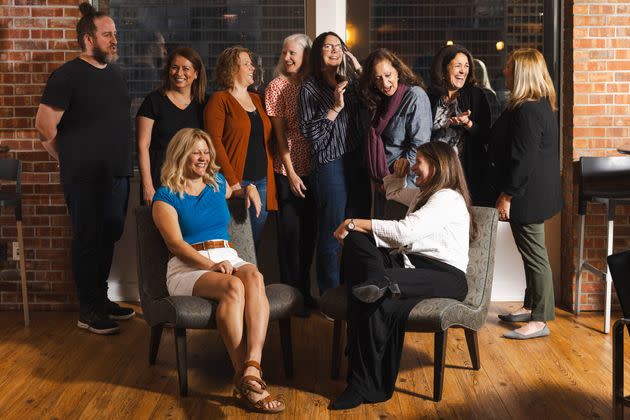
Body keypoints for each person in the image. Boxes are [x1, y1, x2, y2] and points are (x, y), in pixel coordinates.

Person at [329, 141, 472, 409]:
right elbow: (393, 192)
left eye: (419, 161)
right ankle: (375, 282)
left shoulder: (447, 197)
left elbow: (405, 232)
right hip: (409, 267)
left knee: (362, 247)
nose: (414, 165)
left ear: (438, 165)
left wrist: (353, 222)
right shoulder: (423, 194)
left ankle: (362, 385)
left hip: (444, 275)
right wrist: (400, 174)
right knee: (356, 241)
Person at [152, 128, 284, 413]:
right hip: (188, 265)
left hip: (226, 253)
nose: (203, 157)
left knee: (254, 276)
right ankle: (244, 379)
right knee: (233, 288)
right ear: (180, 155)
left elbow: (236, 189)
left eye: (206, 151)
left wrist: (247, 187)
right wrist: (210, 265)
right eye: (196, 152)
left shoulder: (217, 183)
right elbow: (175, 244)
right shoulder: (166, 196)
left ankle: (251, 368)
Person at [34, 2, 135, 335]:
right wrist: (65, 158)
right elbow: (44, 126)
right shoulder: (66, 76)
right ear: (88, 39)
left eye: (115, 34)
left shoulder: (117, 76)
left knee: (109, 237)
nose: (114, 40)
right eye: (107, 35)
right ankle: (88, 309)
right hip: (85, 177)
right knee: (88, 240)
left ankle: (101, 299)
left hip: (118, 173)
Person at [486, 49, 562, 340]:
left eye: (509, 67)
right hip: (534, 194)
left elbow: (523, 160)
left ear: (522, 73)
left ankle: (541, 320)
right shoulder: (536, 104)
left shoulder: (528, 110)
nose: (504, 71)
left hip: (527, 196)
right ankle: (532, 306)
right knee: (531, 253)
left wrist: (507, 195)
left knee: (535, 256)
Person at [298, 31, 370, 294]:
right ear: (318, 52)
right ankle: (330, 295)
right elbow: (310, 134)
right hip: (329, 164)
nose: (334, 50)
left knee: (357, 229)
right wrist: (335, 107)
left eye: (338, 46)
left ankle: (355, 291)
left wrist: (359, 67)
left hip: (356, 161)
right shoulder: (309, 88)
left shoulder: (351, 81)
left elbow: (376, 96)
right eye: (328, 46)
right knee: (332, 230)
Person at [264, 34, 318, 311]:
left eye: (292, 53)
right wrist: (292, 172)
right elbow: (280, 137)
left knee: (309, 234)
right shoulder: (276, 87)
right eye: (284, 53)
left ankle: (305, 293)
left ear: (307, 56)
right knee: (289, 235)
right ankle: (289, 298)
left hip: (315, 170)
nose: (286, 58)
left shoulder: (313, 85)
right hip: (287, 172)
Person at [205, 46, 276, 248]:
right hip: (236, 183)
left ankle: (250, 280)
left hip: (262, 181)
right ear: (232, 69)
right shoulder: (219, 100)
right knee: (236, 244)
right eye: (246, 64)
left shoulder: (256, 99)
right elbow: (214, 143)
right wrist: (234, 183)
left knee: (255, 243)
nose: (252, 67)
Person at [358, 48, 432, 217]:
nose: (384, 83)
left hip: (405, 182)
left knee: (398, 238)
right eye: (378, 78)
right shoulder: (380, 101)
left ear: (398, 72)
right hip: (381, 181)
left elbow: (420, 146)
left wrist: (393, 182)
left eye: (388, 75)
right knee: (380, 237)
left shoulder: (415, 96)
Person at [137, 47, 207, 205]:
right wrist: (147, 186)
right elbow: (142, 146)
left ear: (196, 73)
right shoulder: (153, 101)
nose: (179, 73)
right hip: (160, 181)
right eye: (174, 67)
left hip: (193, 183)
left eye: (186, 68)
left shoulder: (204, 104)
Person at [428, 44, 491, 205]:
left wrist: (468, 123)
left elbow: (486, 136)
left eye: (467, 66)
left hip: (466, 175)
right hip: (436, 172)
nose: (463, 71)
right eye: (458, 66)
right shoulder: (431, 97)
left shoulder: (476, 95)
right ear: (443, 69)